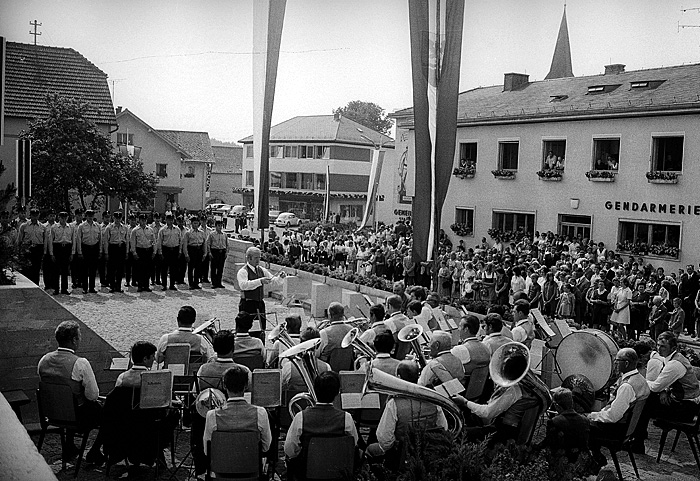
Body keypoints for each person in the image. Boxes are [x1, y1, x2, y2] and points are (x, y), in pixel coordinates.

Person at [38, 320, 105, 464]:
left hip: (51, 413)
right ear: (74, 340)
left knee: (68, 398)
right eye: (79, 337)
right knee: (108, 413)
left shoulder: (44, 360)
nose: (80, 339)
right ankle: (95, 450)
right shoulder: (80, 363)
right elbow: (92, 395)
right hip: (76, 416)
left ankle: (69, 445)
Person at [366, 360, 448, 466]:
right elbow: (443, 428)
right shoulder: (433, 399)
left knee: (369, 449)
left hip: (400, 454)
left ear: (399, 377)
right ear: (418, 376)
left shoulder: (394, 403)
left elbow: (384, 439)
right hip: (428, 450)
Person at [193, 331, 251, 477]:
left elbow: (197, 394)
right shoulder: (243, 370)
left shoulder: (203, 369)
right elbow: (250, 396)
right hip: (237, 417)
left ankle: (202, 468)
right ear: (233, 349)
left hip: (207, 418)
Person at [632, 331, 700, 453]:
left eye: (663, 346)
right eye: (658, 345)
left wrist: (639, 381)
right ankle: (639, 437)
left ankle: (637, 441)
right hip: (681, 401)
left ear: (673, 348)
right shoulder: (671, 357)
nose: (659, 348)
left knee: (645, 399)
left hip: (686, 409)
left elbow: (655, 387)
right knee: (648, 399)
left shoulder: (675, 364)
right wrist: (663, 390)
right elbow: (662, 384)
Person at [284, 371, 358, 480]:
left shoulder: (300, 417)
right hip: (338, 473)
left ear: (314, 390)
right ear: (337, 392)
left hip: (306, 473)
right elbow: (353, 445)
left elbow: (289, 449)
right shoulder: (346, 417)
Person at [587, 348, 649, 466]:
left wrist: (592, 415)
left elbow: (612, 417)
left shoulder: (627, 386)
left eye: (617, 361)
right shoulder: (640, 379)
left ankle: (593, 460)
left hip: (617, 430)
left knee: (581, 425)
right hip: (628, 429)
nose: (615, 363)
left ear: (626, 363)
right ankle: (594, 457)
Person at [203, 366, 272, 469]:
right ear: (246, 386)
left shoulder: (212, 415)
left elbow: (207, 450)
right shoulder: (260, 412)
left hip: (221, 470)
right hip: (251, 469)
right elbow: (266, 447)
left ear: (224, 386)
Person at [237, 246, 286, 332]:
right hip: (248, 303)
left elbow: (272, 280)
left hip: (259, 303)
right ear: (249, 258)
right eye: (256, 258)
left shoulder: (261, 270)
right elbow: (243, 285)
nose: (258, 260)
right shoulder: (243, 271)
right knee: (249, 329)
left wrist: (280, 277)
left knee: (261, 329)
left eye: (259, 258)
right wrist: (260, 281)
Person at [540, 387, 590, 461]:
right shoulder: (585, 421)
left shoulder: (554, 422)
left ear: (557, 406)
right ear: (572, 403)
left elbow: (549, 444)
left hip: (562, 461)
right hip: (581, 461)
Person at [318, 302, 354, 370]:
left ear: (330, 316)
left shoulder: (324, 332)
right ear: (343, 315)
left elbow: (318, 353)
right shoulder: (352, 330)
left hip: (328, 370)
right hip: (348, 369)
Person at [75, 209, 102, 294]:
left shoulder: (97, 226)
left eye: (91, 216)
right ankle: (85, 287)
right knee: (84, 270)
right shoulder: (81, 226)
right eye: (88, 216)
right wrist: (79, 252)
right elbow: (78, 239)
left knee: (93, 270)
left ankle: (92, 287)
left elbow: (100, 239)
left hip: (94, 248)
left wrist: (100, 250)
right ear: (86, 216)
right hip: (85, 248)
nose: (90, 217)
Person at [48, 212, 75, 295]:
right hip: (57, 248)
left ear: (67, 218)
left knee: (65, 270)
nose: (63, 219)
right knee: (56, 270)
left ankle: (64, 288)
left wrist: (72, 253)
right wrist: (51, 253)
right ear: (58, 218)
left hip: (67, 248)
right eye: (62, 217)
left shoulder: (70, 227)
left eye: (65, 217)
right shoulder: (54, 227)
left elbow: (73, 240)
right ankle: (56, 288)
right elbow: (50, 241)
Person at [16, 207, 45, 285]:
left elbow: (45, 240)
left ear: (38, 215)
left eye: (36, 215)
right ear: (30, 215)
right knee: (27, 268)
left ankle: (36, 285)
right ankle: (26, 285)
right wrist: (18, 250)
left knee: (36, 268)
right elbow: (19, 239)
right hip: (27, 248)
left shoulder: (42, 227)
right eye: (33, 215)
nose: (34, 217)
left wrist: (44, 251)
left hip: (38, 248)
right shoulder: (24, 226)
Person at [103, 211, 129, 293]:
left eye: (119, 218)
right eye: (116, 218)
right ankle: (112, 286)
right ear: (113, 218)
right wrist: (106, 252)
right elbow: (106, 241)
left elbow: (127, 241)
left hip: (121, 248)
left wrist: (127, 252)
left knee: (120, 269)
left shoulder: (125, 228)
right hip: (113, 248)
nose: (118, 220)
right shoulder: (109, 227)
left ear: (121, 218)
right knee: (111, 269)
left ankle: (118, 286)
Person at [156, 213, 182, 291]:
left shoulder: (177, 229)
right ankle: (164, 285)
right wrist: (160, 252)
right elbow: (159, 241)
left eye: (171, 220)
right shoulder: (162, 230)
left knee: (173, 268)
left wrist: (180, 251)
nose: (170, 221)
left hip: (175, 250)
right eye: (168, 219)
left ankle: (172, 284)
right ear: (165, 220)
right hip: (166, 250)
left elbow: (180, 241)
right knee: (164, 269)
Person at [130, 213, 156, 292]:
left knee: (148, 269)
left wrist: (154, 251)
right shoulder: (135, 230)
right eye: (142, 220)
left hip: (148, 250)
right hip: (140, 250)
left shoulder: (150, 230)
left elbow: (154, 241)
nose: (143, 222)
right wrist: (134, 253)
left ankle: (146, 285)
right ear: (139, 220)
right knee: (140, 269)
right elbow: (133, 242)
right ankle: (140, 286)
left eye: (145, 220)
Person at [182, 216, 206, 290]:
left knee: (198, 268)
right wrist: (186, 254)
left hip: (199, 250)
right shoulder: (188, 233)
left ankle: (196, 283)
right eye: (194, 223)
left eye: (197, 223)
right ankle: (191, 283)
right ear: (191, 224)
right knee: (191, 268)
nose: (196, 225)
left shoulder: (202, 233)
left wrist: (205, 253)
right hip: (192, 250)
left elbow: (204, 243)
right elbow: (185, 245)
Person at [206, 220, 228, 289]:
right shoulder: (212, 234)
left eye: (221, 225)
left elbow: (227, 244)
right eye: (219, 226)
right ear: (216, 226)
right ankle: (214, 282)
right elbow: (208, 243)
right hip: (215, 251)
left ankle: (219, 282)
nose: (220, 227)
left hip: (222, 252)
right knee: (213, 268)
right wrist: (209, 252)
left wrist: (226, 252)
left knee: (220, 268)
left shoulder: (224, 234)